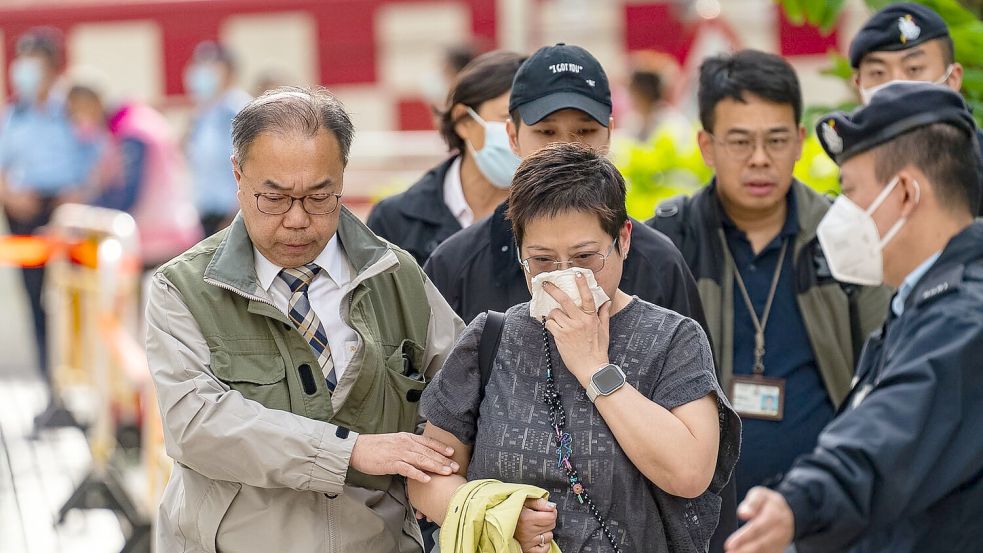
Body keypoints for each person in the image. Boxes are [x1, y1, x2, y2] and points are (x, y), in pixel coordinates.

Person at [146, 87, 464, 552]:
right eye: (273, 198)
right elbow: (196, 424)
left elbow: (463, 389)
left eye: (319, 197)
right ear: (238, 175)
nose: (297, 220)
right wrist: (349, 451)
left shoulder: (398, 277)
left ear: (341, 179)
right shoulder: (184, 288)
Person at [409, 142, 740, 553]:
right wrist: (501, 517)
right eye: (543, 261)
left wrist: (594, 368)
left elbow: (690, 472)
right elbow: (427, 478)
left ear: (623, 239)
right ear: (520, 255)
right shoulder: (491, 339)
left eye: (585, 256)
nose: (566, 276)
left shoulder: (673, 339)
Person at [725, 82, 983, 553]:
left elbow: (889, 433)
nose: (841, 214)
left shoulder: (964, 318)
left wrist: (799, 504)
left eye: (851, 192)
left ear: (905, 193)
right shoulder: (920, 302)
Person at [648, 50, 890, 506]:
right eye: (740, 142)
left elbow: (883, 373)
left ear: (800, 141)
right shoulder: (668, 243)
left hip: (826, 510)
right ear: (707, 146)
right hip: (698, 513)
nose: (760, 159)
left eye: (776, 141)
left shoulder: (846, 234)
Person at [423, 43, 706, 330]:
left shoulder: (659, 262)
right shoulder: (454, 266)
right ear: (512, 136)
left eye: (585, 131)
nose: (566, 147)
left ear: (609, 134)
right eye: (546, 131)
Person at [0, 28, 99, 382]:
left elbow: (101, 159)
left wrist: (78, 194)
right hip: (24, 214)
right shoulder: (14, 114)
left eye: (34, 63)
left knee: (75, 300)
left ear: (54, 68)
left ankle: (81, 385)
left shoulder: (72, 108)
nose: (24, 71)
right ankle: (49, 385)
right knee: (35, 302)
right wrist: (8, 194)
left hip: (67, 214)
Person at [368, 51, 525, 265]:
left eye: (536, 125)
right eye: (508, 117)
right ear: (464, 121)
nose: (518, 133)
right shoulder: (395, 220)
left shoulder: (553, 213)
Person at [849, 1, 983, 215]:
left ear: (953, 79)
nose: (897, 83)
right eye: (878, 73)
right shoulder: (855, 172)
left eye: (914, 69)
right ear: (859, 87)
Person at [66, 80, 202, 270]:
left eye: (75, 112)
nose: (75, 120)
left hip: (161, 242)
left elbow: (128, 193)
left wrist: (83, 213)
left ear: (91, 102)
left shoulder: (134, 131)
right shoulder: (125, 128)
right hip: (157, 237)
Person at [184, 40, 252, 236]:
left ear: (229, 72)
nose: (202, 72)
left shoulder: (238, 109)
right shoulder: (203, 113)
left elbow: (249, 164)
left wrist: (236, 214)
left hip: (232, 214)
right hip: (206, 212)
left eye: (211, 66)